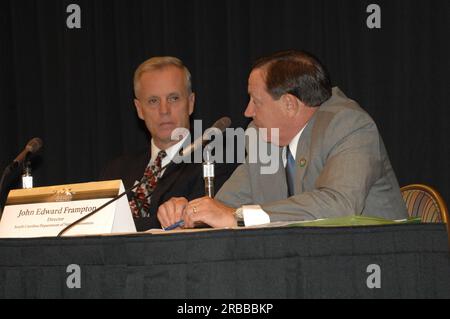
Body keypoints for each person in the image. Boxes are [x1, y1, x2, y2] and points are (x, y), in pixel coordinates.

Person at [157, 50, 408, 229]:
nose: (247, 112)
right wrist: (191, 212)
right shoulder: (261, 137)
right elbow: (225, 206)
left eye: (255, 101)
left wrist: (239, 217)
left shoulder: (348, 125)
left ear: (289, 104)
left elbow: (339, 204)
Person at [100, 56, 236, 231]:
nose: (164, 110)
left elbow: (199, 226)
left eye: (173, 98)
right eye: (153, 101)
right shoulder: (115, 171)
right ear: (139, 109)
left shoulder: (214, 165)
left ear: (191, 103)